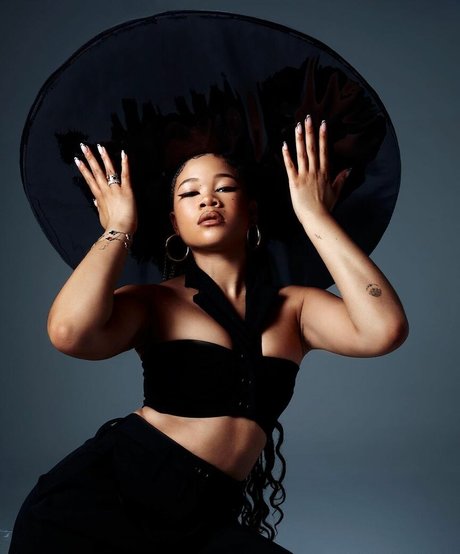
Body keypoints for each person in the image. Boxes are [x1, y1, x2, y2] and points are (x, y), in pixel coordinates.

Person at [8, 117, 408, 553]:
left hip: (204, 518)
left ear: (251, 210)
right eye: (189, 193)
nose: (208, 199)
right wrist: (119, 226)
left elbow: (383, 330)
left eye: (225, 188)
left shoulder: (297, 308)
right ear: (174, 223)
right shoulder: (154, 301)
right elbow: (68, 332)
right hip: (102, 502)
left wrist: (314, 214)